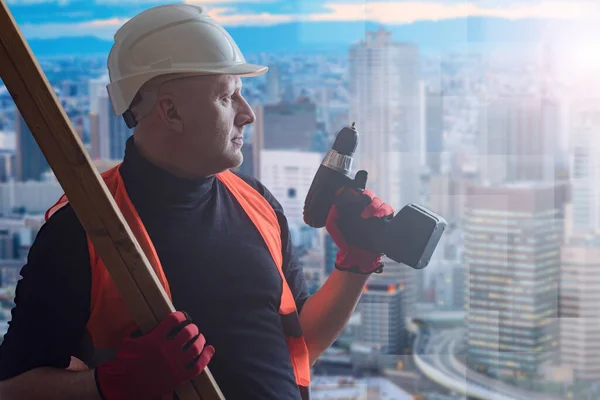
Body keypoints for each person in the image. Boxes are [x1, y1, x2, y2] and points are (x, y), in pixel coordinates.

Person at [0, 4, 394, 400]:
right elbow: (11, 389)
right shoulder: (82, 231)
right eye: (228, 96)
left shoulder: (257, 202)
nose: (247, 115)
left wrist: (353, 265)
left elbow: (297, 344)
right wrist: (107, 385)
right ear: (170, 110)